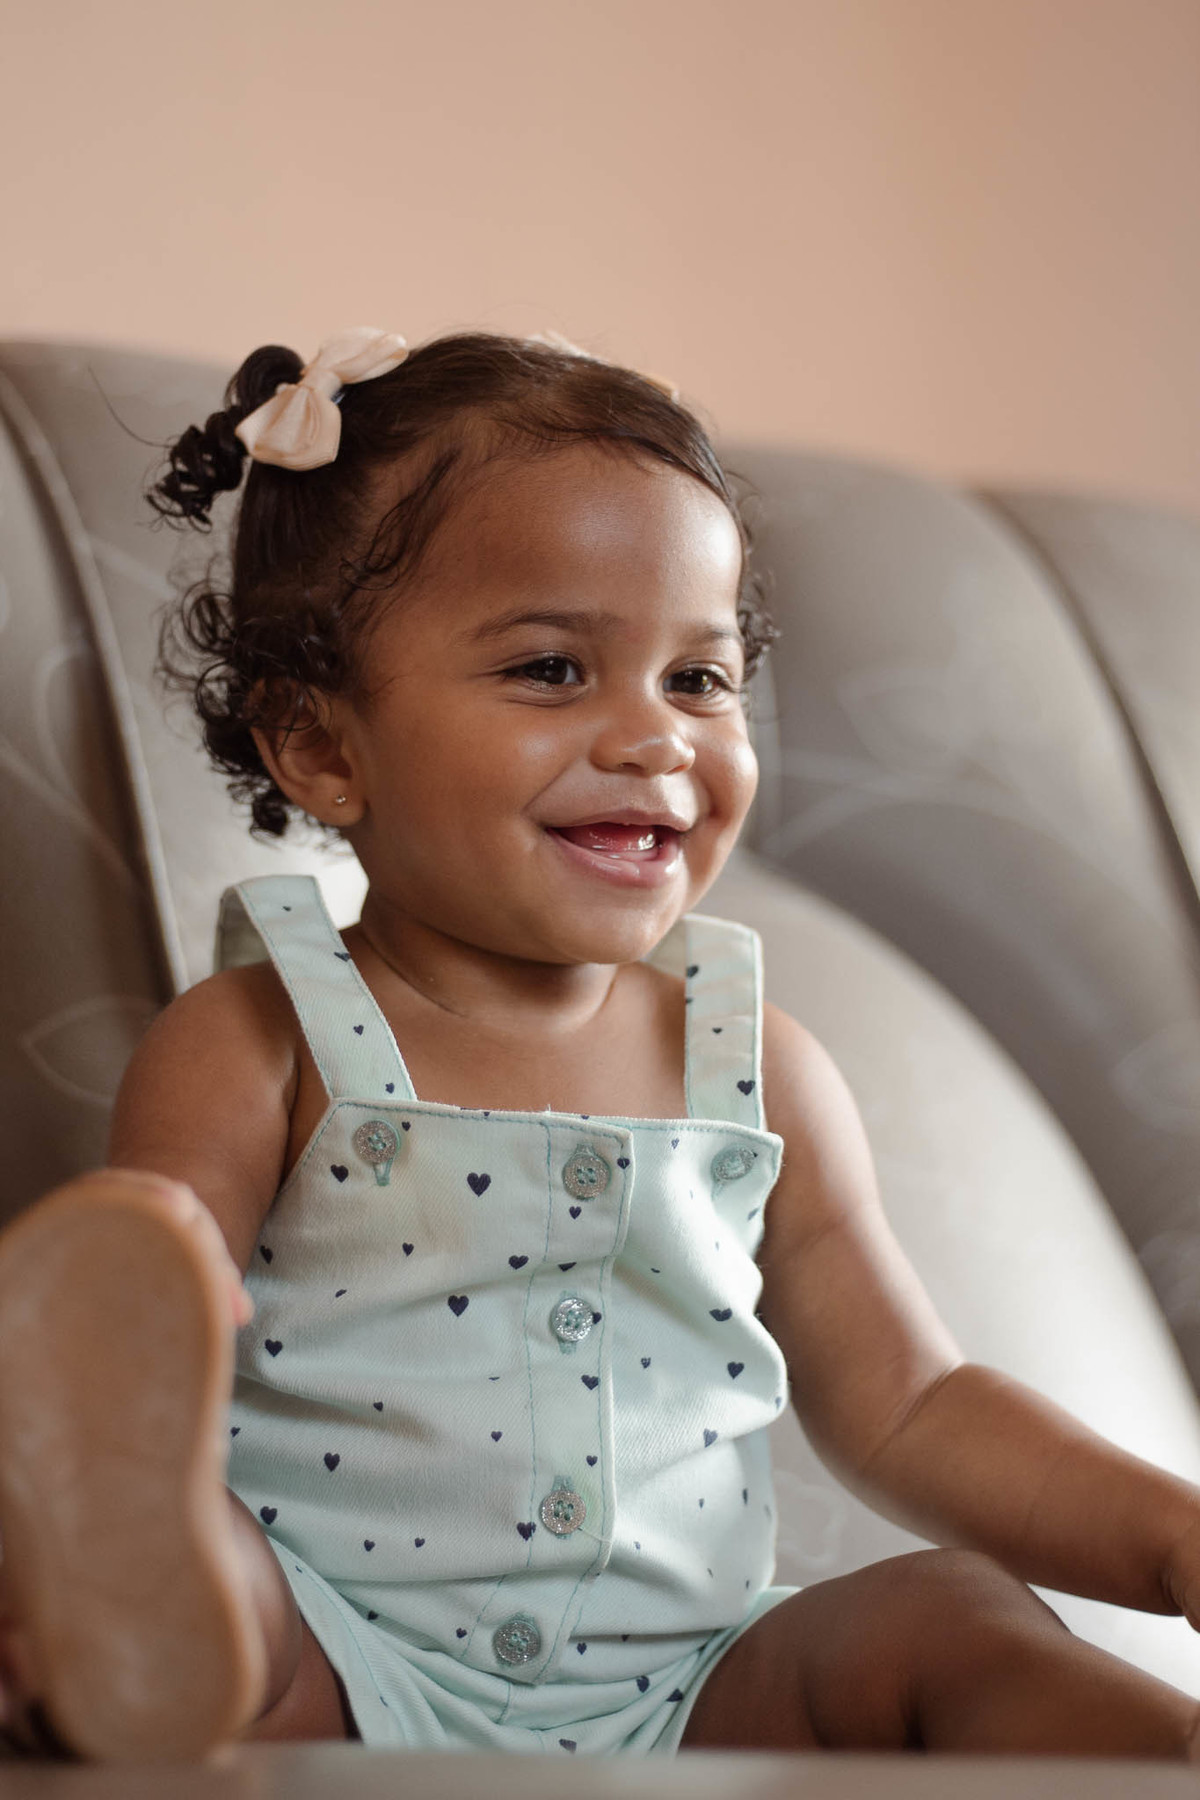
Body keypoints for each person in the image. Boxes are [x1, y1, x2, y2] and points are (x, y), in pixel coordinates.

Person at [2, 326, 1200, 1767]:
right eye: (555, 668)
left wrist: (1167, 1538)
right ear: (321, 744)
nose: (657, 739)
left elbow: (916, 1407)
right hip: (338, 1663)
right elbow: (155, 1284)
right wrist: (135, 1269)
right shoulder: (269, 1037)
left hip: (696, 1698)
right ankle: (117, 1603)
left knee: (953, 1614)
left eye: (700, 678)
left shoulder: (760, 1067)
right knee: (230, 1599)